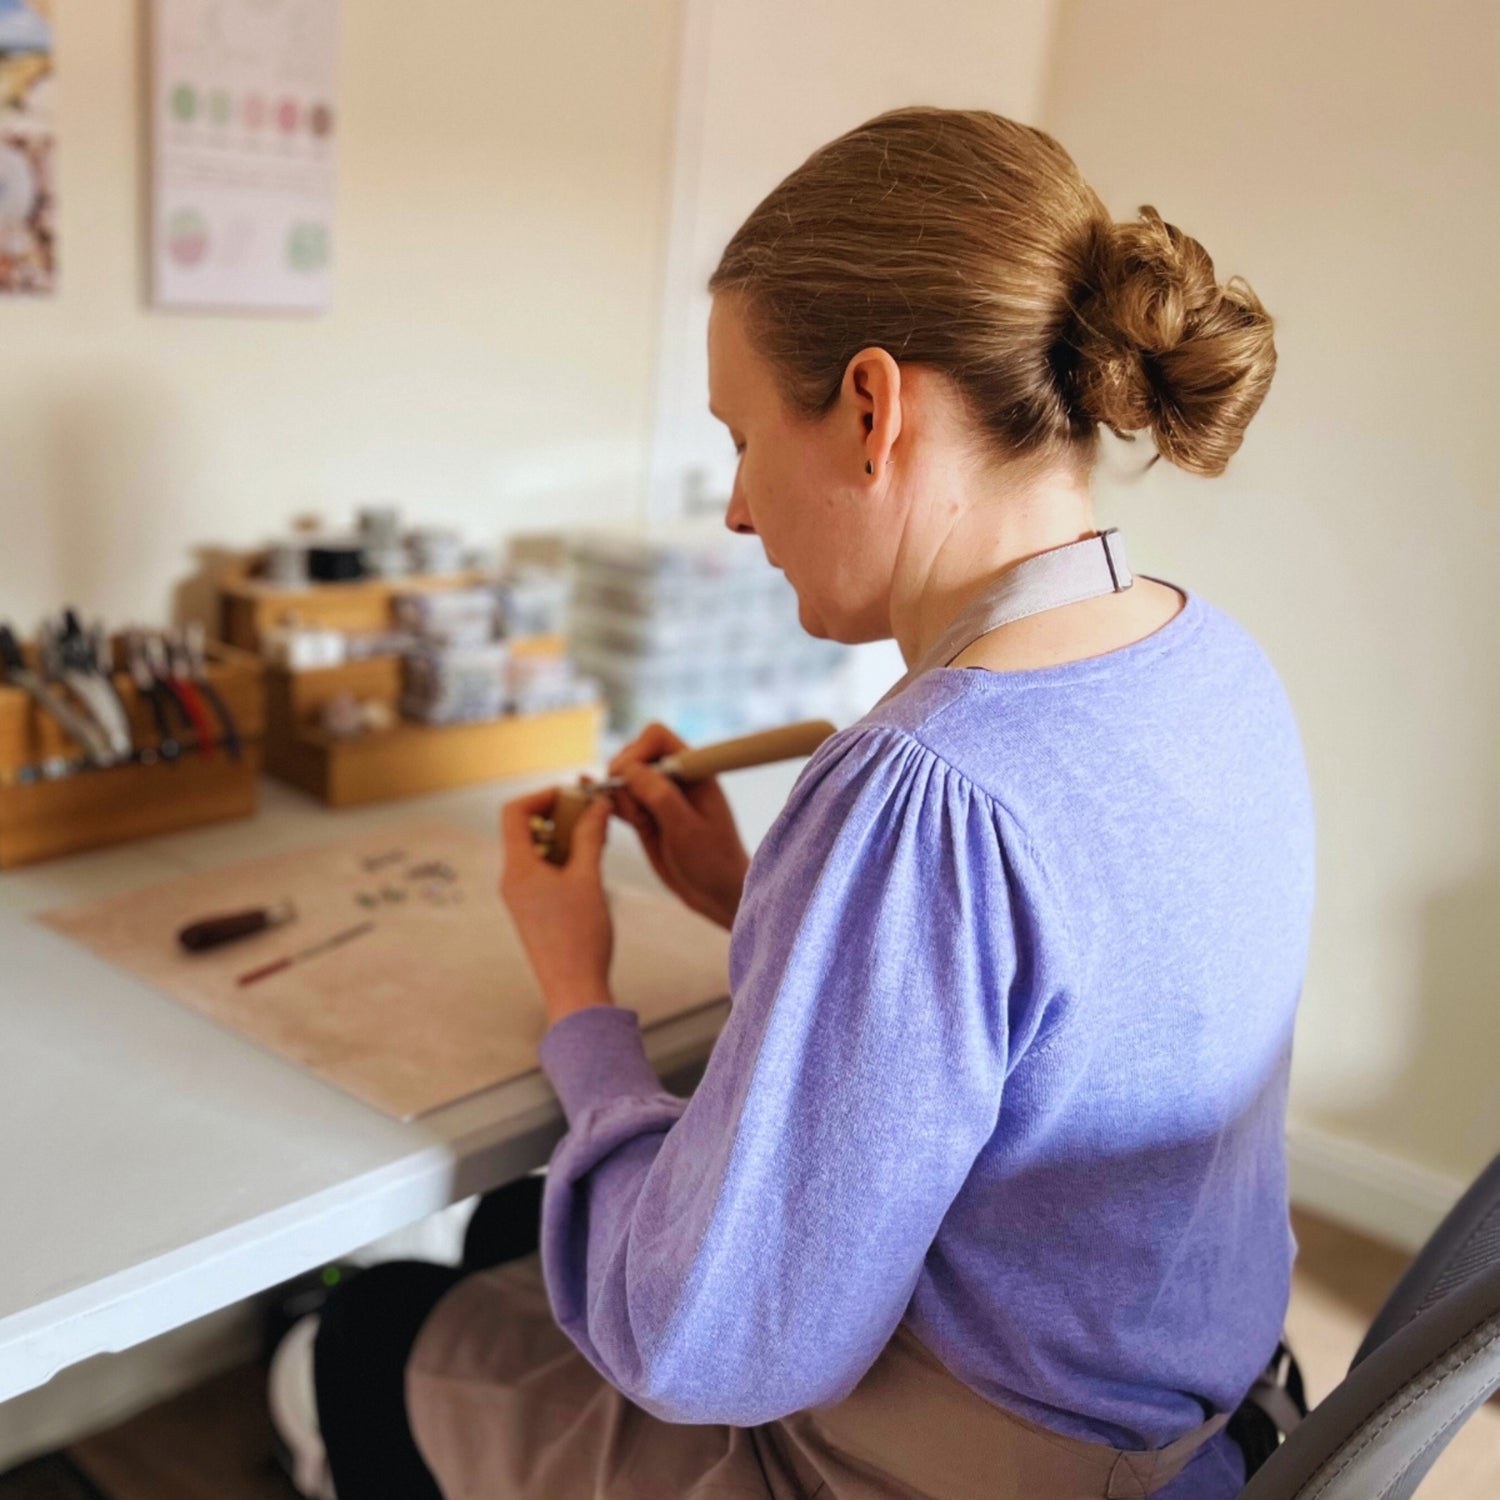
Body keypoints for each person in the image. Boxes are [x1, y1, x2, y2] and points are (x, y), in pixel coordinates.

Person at [301, 105, 1314, 1499]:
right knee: (517, 1251)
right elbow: (1049, 1021)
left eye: (735, 436)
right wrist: (758, 897)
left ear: (868, 410)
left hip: (942, 1467)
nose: (732, 509)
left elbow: (704, 1341)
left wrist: (574, 993)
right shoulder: (1211, 664)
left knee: (373, 1334)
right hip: (1197, 1426)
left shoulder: (924, 790)